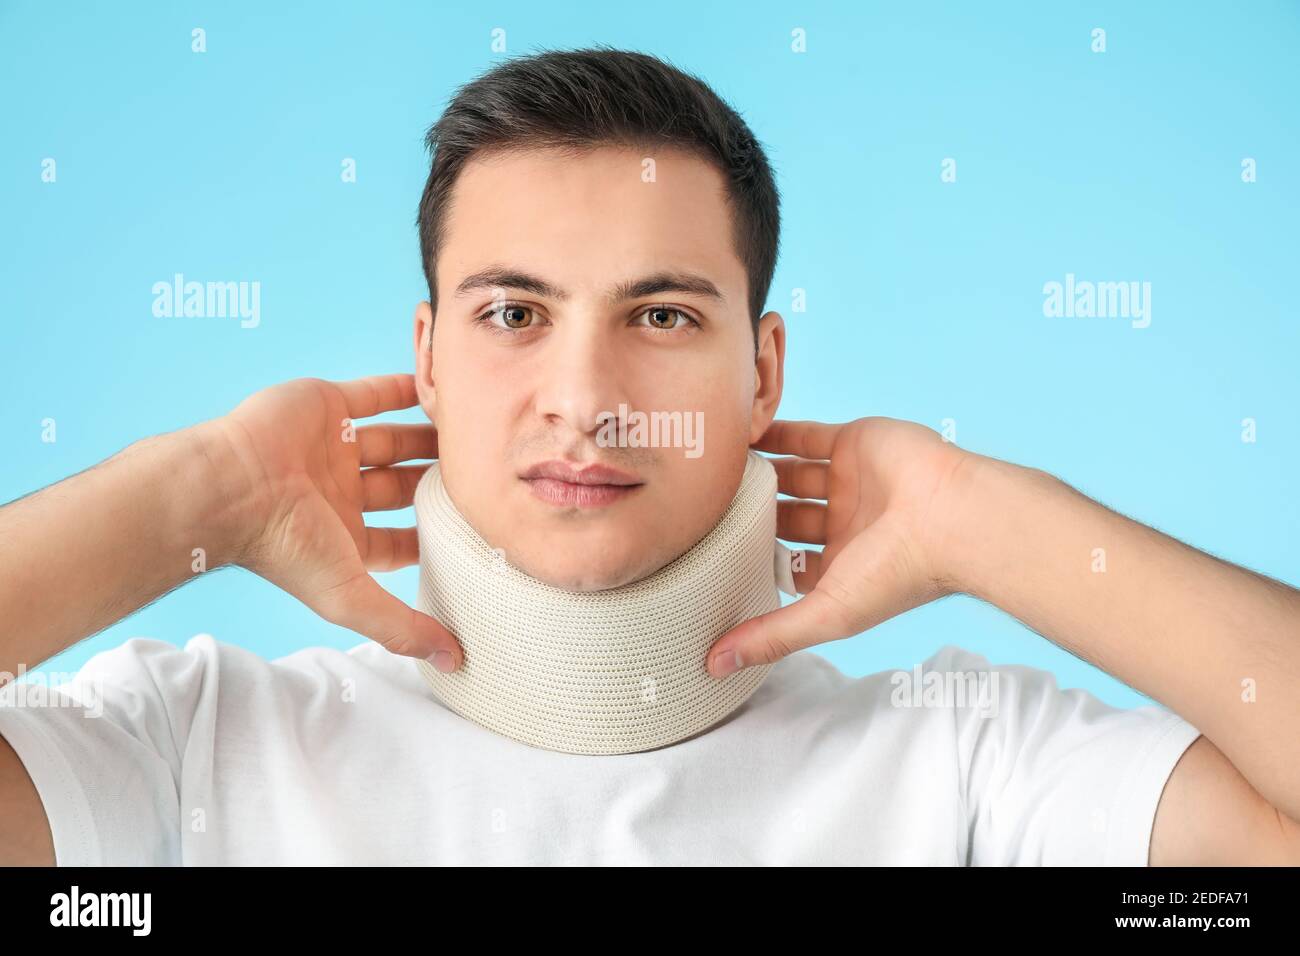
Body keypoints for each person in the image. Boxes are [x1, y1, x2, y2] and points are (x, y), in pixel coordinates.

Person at [1, 47, 1296, 866]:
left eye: (662, 316)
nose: (585, 401)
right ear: (428, 357)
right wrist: (197, 498)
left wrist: (983, 519)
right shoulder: (196, 745)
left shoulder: (962, 763)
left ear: (766, 374)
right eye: (513, 314)